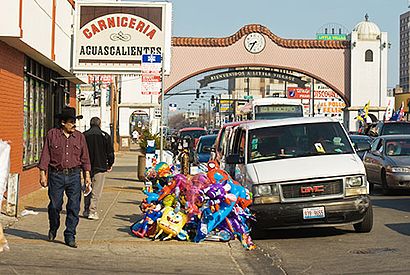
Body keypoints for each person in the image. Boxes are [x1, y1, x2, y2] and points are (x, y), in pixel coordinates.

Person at [38, 107, 91, 248]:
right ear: (62, 123)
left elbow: (85, 157)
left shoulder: (80, 137)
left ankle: (70, 235)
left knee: (74, 207)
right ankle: (53, 227)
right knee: (55, 206)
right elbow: (45, 155)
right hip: (56, 175)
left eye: (75, 122)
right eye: (71, 122)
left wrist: (87, 175)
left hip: (74, 175)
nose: (74, 125)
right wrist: (42, 174)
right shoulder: (52, 135)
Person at [83, 117, 115, 220]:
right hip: (100, 166)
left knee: (87, 187)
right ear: (99, 124)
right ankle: (92, 211)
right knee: (96, 190)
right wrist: (110, 164)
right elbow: (110, 152)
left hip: (86, 166)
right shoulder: (105, 136)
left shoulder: (84, 135)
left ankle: (86, 209)